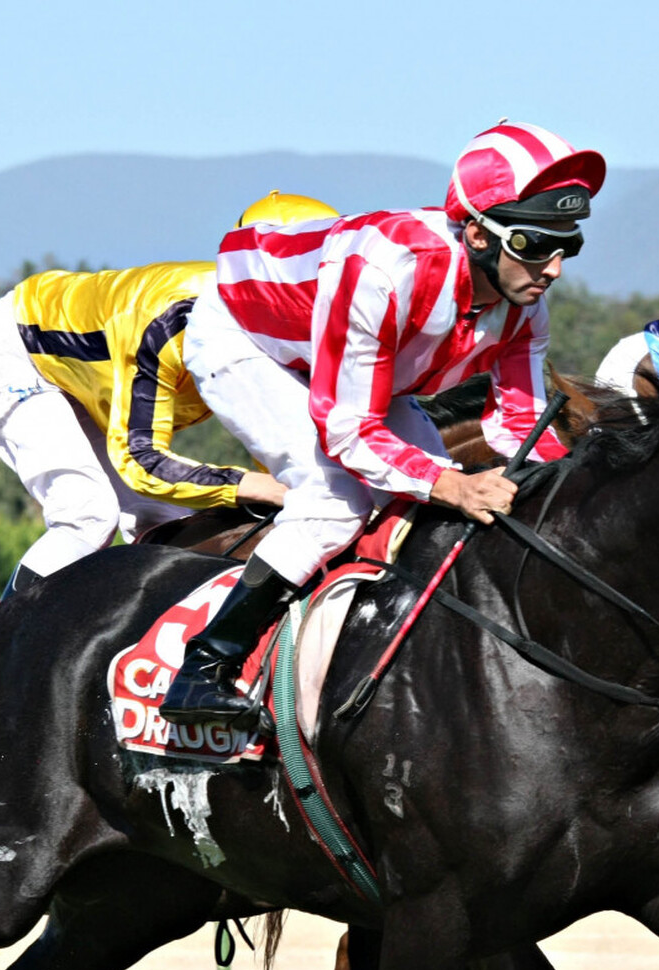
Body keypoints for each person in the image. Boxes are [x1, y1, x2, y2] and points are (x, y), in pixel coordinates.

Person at [159, 120, 605, 733]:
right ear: (477, 234)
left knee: (438, 489)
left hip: (359, 366)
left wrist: (580, 497)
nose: (552, 269)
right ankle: (204, 668)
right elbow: (348, 431)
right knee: (336, 500)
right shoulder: (388, 270)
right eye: (534, 245)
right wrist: (453, 485)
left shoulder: (524, 308)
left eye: (567, 247)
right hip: (248, 340)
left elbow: (522, 426)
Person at [0, 192, 338, 599]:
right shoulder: (170, 320)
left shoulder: (304, 331)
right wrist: (260, 486)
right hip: (18, 351)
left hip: (98, 371)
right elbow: (141, 462)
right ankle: (1, 634)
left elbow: (282, 441)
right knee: (86, 515)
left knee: (167, 524)